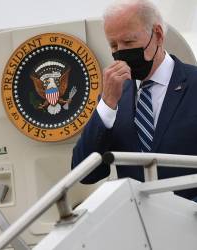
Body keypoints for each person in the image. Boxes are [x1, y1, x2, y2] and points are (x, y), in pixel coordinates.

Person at [71, 0, 197, 200]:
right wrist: (107, 104)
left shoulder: (193, 84)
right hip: (140, 224)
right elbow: (85, 173)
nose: (121, 52)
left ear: (157, 35)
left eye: (129, 42)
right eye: (113, 45)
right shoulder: (115, 96)